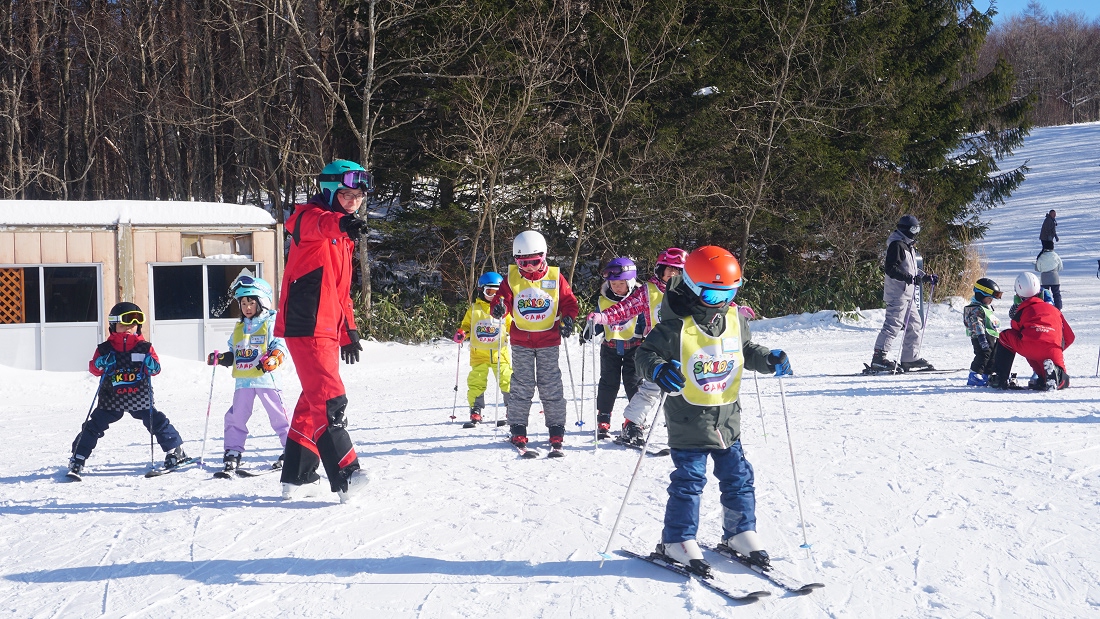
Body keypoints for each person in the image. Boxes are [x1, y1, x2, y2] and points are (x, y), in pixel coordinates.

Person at [635, 246, 793, 577]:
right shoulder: (674, 325)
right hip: (688, 421)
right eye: (710, 292)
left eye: (729, 292)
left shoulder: (735, 319)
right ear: (691, 286)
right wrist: (659, 370)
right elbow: (646, 355)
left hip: (727, 420)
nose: (719, 300)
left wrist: (769, 359)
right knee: (689, 482)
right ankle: (677, 540)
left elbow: (746, 350)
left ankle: (739, 532)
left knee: (738, 478)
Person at [274, 159, 371, 502]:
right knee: (330, 399)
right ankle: (346, 472)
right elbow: (318, 224)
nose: (353, 201)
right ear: (329, 190)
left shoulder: (343, 239)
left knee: (310, 401)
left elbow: (340, 291)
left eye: (358, 196)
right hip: (307, 324)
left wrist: (350, 331)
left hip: (328, 327)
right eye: (346, 194)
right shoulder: (306, 217)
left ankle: (297, 476)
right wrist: (344, 222)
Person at [68, 302, 187, 477]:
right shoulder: (105, 349)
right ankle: (78, 457)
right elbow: (95, 370)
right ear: (113, 325)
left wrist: (151, 365)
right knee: (93, 425)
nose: (129, 328)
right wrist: (100, 363)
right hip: (111, 397)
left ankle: (175, 450)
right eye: (124, 324)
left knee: (155, 421)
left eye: (133, 325)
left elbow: (156, 370)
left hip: (138, 395)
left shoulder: (144, 347)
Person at [585, 248, 687, 443]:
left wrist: (733, 310)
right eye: (669, 270)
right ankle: (631, 425)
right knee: (650, 390)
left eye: (678, 271)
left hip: (684, 349)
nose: (673, 275)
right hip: (656, 350)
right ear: (660, 270)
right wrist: (602, 317)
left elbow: (712, 305)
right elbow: (625, 308)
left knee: (685, 389)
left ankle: (686, 428)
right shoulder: (648, 290)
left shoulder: (690, 292)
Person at [496, 230, 580, 452]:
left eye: (534, 262)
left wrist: (569, 319)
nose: (530, 268)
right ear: (516, 261)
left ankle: (556, 428)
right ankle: (518, 427)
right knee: (521, 384)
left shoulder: (555, 277)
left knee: (550, 384)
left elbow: (569, 302)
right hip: (522, 340)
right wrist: (499, 308)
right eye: (524, 263)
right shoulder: (512, 278)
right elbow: (503, 300)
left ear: (544, 257)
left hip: (548, 339)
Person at [207, 276, 291, 475]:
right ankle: (233, 451)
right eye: (243, 303)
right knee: (236, 416)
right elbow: (235, 353)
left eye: (251, 302)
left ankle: (293, 449)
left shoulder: (271, 323)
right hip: (243, 382)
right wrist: (222, 358)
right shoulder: (239, 327)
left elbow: (280, 345)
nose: (247, 307)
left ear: (262, 302)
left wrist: (275, 358)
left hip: (266, 380)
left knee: (279, 415)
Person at [579, 257, 644, 440]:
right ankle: (604, 417)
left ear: (630, 282)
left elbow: (645, 321)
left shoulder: (638, 299)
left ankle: (634, 419)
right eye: (613, 283)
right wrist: (589, 330)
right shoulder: (604, 300)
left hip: (635, 347)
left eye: (621, 283)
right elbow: (599, 321)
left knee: (633, 383)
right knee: (608, 383)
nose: (617, 287)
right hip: (610, 347)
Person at [869, 214, 938, 372]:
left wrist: (925, 277)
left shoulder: (909, 246)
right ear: (905, 229)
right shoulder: (897, 245)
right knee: (893, 325)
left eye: (918, 228)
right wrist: (909, 278)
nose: (916, 232)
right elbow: (891, 269)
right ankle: (879, 358)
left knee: (915, 324)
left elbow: (911, 269)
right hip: (897, 293)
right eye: (914, 229)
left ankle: (909, 358)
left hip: (908, 294)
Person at [989, 272, 1074, 391]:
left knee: (1005, 336)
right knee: (1063, 378)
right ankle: (1057, 377)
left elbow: (1015, 329)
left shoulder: (1022, 311)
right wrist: (1056, 347)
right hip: (1052, 349)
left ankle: (999, 377)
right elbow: (1069, 337)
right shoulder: (1055, 311)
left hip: (1029, 348)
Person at [453, 272, 512, 425]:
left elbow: (512, 326)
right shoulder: (474, 309)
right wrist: (462, 333)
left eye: (496, 292)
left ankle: (512, 409)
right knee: (476, 382)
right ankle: (475, 410)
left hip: (500, 354)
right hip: (479, 354)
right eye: (489, 292)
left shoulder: (505, 311)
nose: (493, 296)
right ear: (481, 291)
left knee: (507, 380)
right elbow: (466, 326)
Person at [963, 278, 1002, 387]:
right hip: (980, 337)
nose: (991, 301)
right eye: (989, 298)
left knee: (992, 356)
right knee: (983, 355)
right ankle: (974, 375)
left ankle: (987, 374)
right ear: (980, 295)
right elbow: (977, 324)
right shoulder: (975, 309)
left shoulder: (985, 307)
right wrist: (981, 338)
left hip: (991, 336)